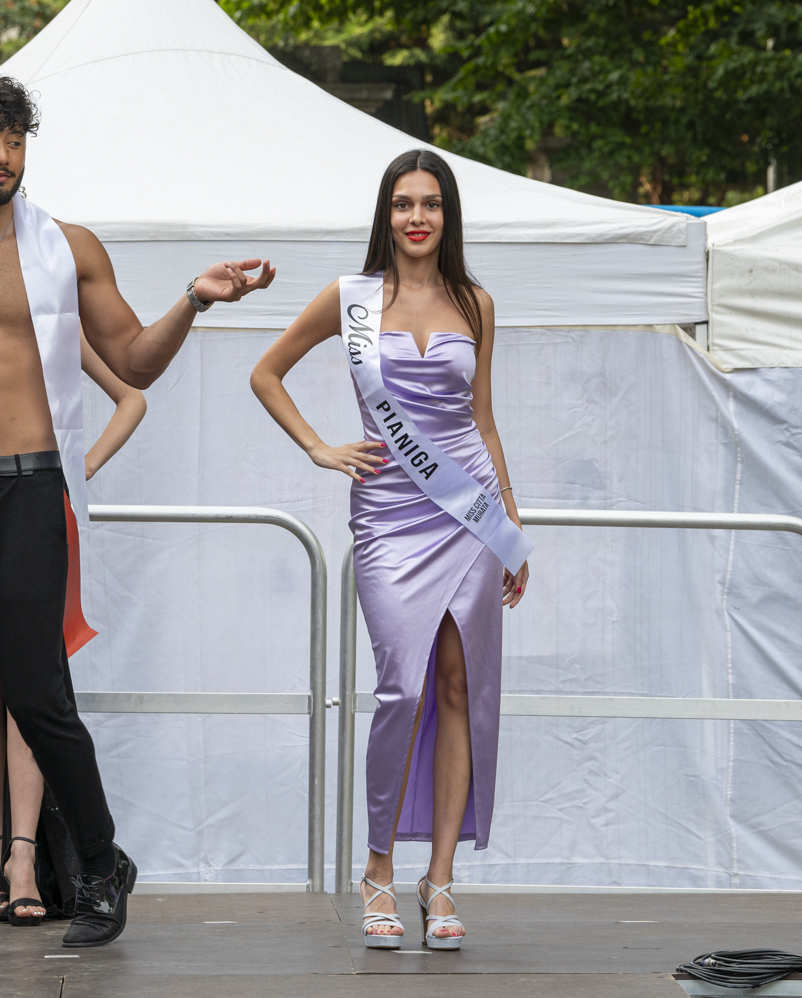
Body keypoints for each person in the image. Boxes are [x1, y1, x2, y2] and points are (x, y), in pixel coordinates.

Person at [0, 74, 273, 964]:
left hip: (29, 489)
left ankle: (103, 864)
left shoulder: (67, 248)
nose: (2, 156)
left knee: (40, 696)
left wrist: (194, 299)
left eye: (14, 139)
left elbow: (135, 365)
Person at [250, 149, 531, 950]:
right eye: (404, 203)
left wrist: (511, 527)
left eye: (431, 204)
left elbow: (483, 421)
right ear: (387, 214)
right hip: (388, 513)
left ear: (448, 215)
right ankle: (377, 867)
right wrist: (319, 447)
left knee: (459, 685)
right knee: (401, 688)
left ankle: (439, 879)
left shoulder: (475, 302)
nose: (417, 217)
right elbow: (266, 373)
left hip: (468, 514)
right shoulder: (352, 298)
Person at [0, 336, 145, 927]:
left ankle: (23, 858)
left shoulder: (54, 324)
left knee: (28, 685)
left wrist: (81, 467)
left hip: (32, 507)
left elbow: (132, 397)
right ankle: (0, 852)